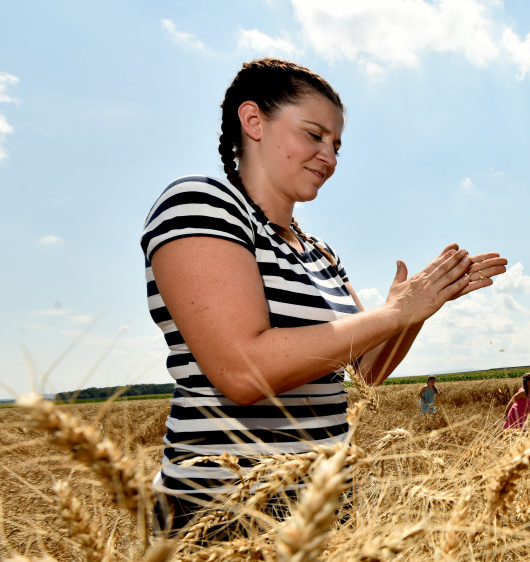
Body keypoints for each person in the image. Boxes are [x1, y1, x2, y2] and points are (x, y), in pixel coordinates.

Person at [141, 58, 506, 536]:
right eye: (313, 135)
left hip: (326, 503)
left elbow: (363, 372)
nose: (329, 157)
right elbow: (242, 371)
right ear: (253, 122)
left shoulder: (319, 252)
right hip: (225, 512)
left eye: (336, 145)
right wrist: (395, 310)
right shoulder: (202, 205)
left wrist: (415, 311)